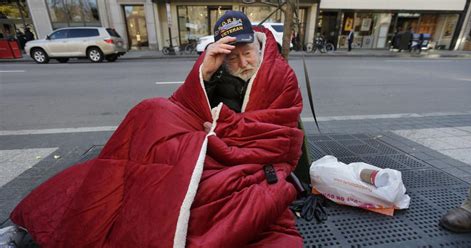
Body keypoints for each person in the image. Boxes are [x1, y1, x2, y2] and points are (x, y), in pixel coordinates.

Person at [7, 10, 304, 247]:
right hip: (205, 142)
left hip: (241, 157)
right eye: (232, 56)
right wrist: (205, 74)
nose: (242, 62)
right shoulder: (215, 70)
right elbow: (181, 106)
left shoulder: (279, 76)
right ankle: (41, 223)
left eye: (247, 53)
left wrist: (220, 127)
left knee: (188, 193)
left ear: (258, 44)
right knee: (149, 114)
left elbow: (277, 134)